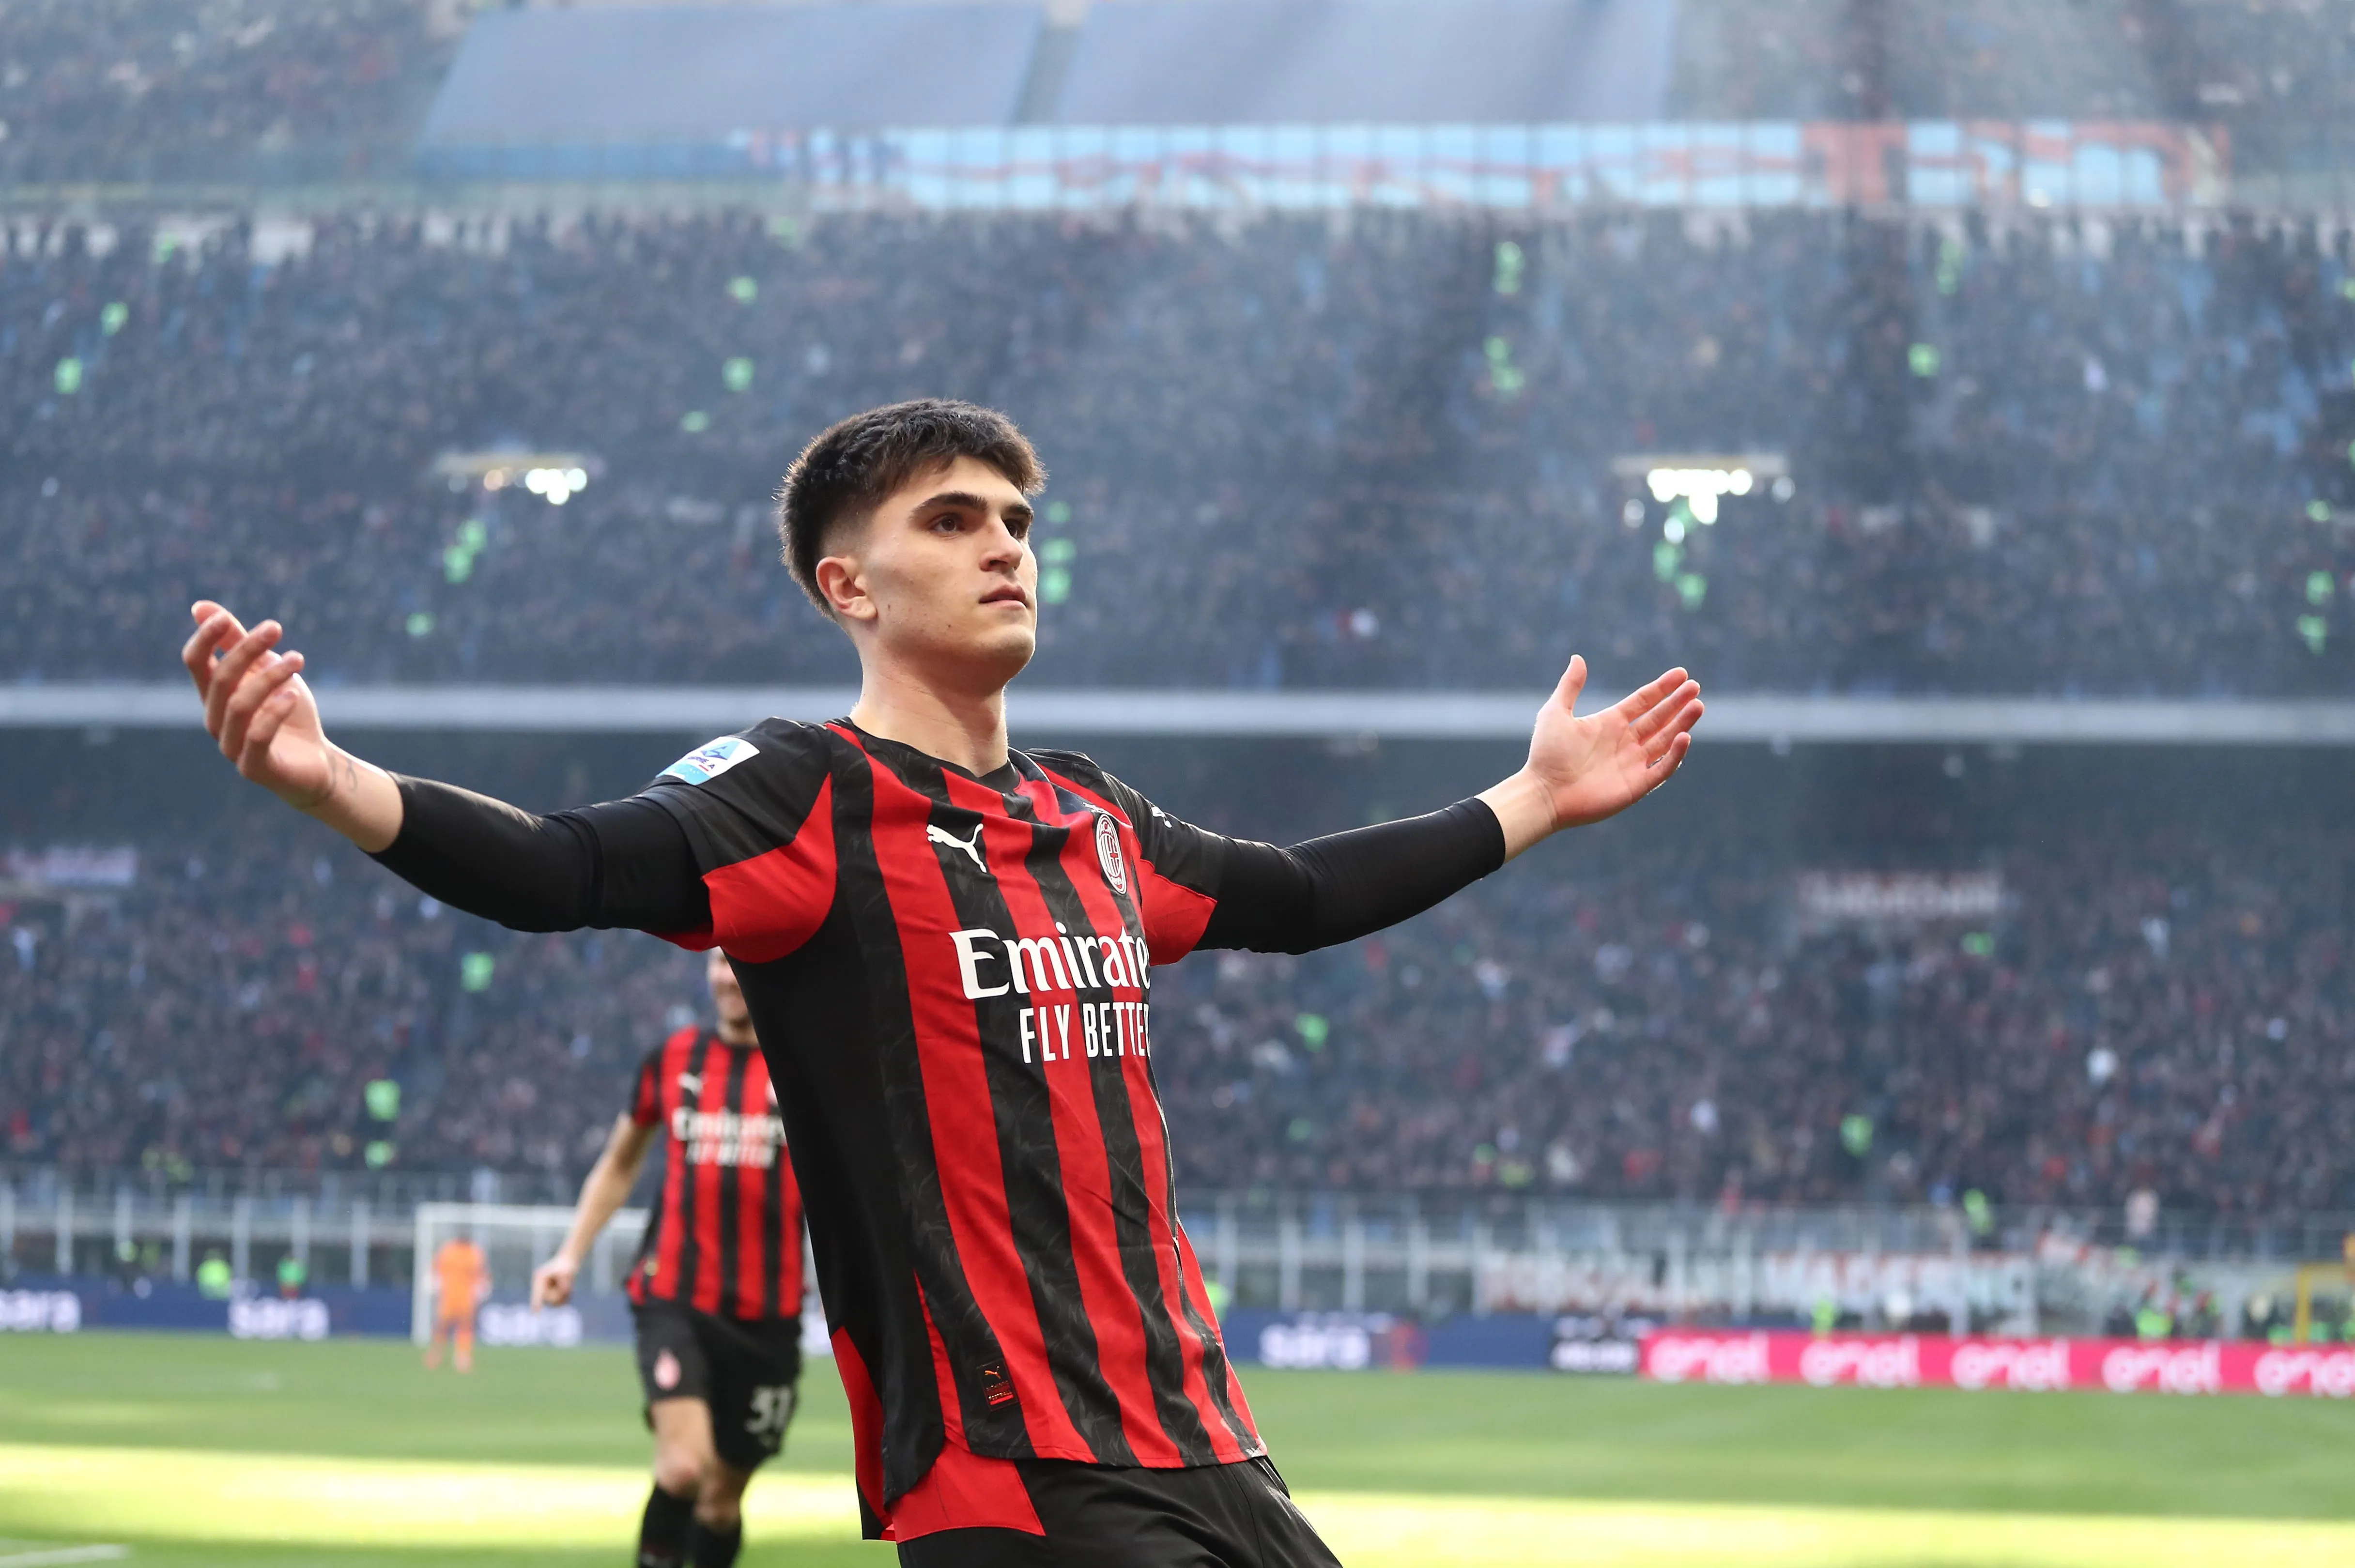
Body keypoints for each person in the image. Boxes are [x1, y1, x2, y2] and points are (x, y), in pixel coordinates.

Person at [181, 397, 1701, 1566]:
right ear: (848, 583)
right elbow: (562, 866)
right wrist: (334, 781)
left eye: (1018, 520)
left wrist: (1530, 800)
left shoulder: (1093, 815)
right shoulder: (798, 791)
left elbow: (1297, 895)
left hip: (1209, 1440)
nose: (1006, 546)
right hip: (1010, 1462)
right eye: (955, 517)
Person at [531, 948, 809, 1568]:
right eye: (717, 962)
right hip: (675, 1296)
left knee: (719, 1502)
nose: (728, 975)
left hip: (769, 1314)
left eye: (740, 962)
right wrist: (570, 1255)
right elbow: (621, 1160)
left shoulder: (807, 1063)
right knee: (683, 1467)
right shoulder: (673, 1059)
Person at [426, 1233, 486, 1372]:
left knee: (463, 1326)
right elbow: (436, 1270)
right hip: (450, 1295)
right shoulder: (450, 1251)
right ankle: (437, 1354)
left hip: (463, 1296)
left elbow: (480, 1274)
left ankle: (462, 1357)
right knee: (443, 1326)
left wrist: (480, 1289)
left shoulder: (472, 1253)